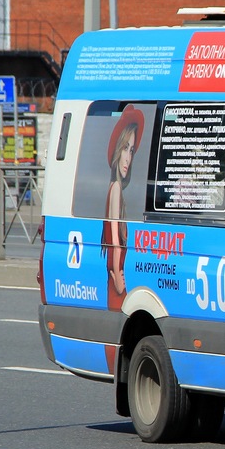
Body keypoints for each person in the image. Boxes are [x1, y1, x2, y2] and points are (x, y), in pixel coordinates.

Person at [103, 106, 144, 311]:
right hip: (117, 277)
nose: (128, 157)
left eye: (132, 150)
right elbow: (116, 242)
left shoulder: (113, 188)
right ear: (117, 148)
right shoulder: (116, 188)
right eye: (125, 148)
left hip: (115, 274)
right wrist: (120, 281)